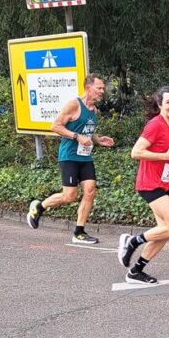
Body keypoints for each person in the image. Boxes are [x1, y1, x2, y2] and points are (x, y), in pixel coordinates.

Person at [117, 87, 169, 284]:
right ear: (160, 105)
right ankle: (132, 241)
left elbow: (168, 157)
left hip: (163, 183)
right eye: (168, 102)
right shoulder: (155, 125)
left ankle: (135, 272)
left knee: (164, 231)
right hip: (150, 184)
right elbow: (136, 152)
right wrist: (166, 156)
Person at [26, 74, 115, 244]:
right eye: (99, 88)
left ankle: (79, 232)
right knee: (69, 196)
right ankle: (39, 207)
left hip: (85, 157)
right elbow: (55, 126)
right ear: (88, 88)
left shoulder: (94, 110)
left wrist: (98, 139)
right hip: (69, 156)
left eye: (103, 88)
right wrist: (77, 137)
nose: (102, 91)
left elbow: (86, 131)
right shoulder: (74, 104)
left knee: (90, 191)